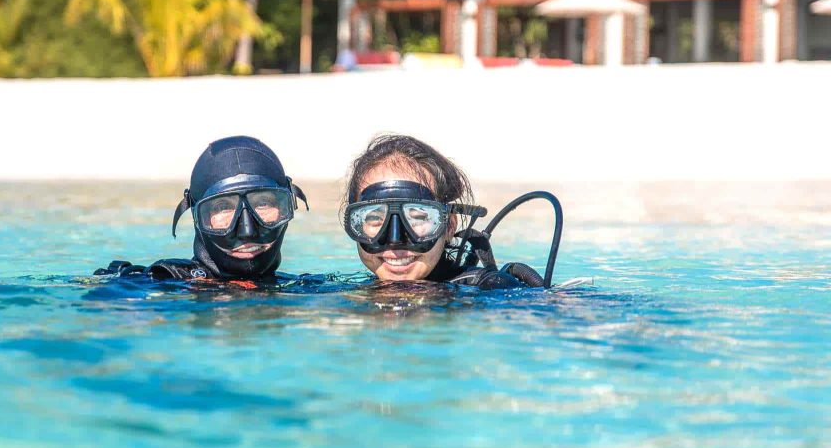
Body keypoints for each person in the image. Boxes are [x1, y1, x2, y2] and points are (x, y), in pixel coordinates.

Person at [342, 134, 556, 289]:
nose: (395, 240)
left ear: (449, 226)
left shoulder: (488, 293)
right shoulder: (333, 293)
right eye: (374, 218)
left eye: (417, 217)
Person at [94, 135, 308, 284]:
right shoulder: (156, 283)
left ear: (287, 206)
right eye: (223, 207)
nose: (247, 231)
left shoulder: (305, 289)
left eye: (262, 204)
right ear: (196, 217)